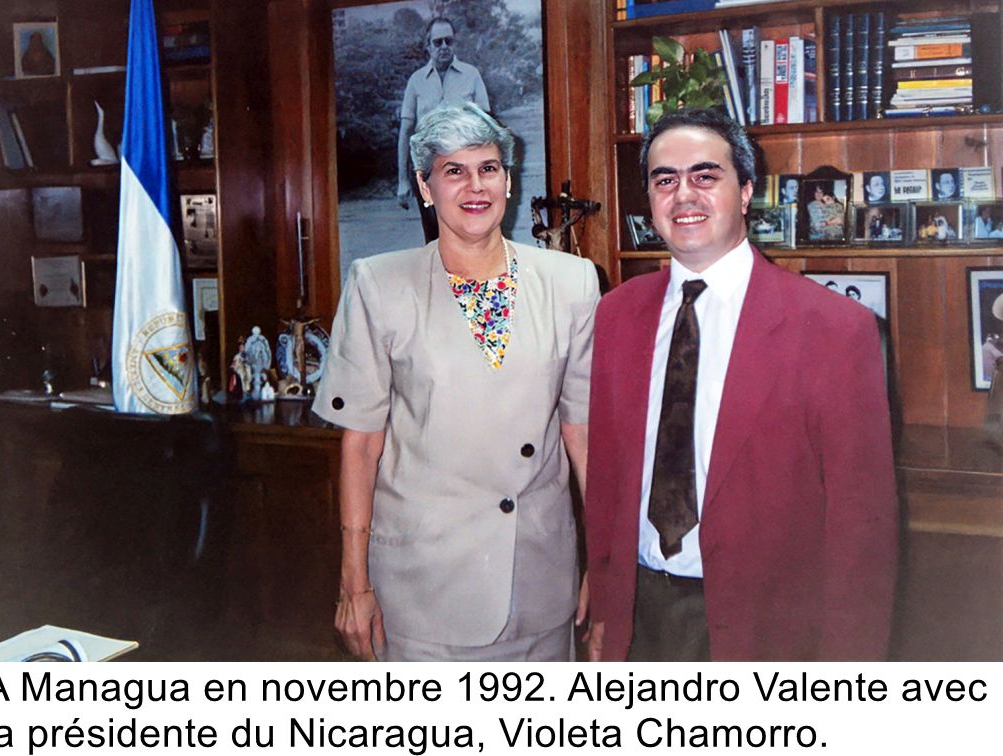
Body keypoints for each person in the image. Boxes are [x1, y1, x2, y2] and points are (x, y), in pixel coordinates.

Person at [584, 108, 897, 661]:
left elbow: (862, 527)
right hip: (640, 619)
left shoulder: (835, 329)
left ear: (747, 191)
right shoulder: (616, 315)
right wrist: (608, 612)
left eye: (706, 176)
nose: (684, 195)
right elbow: (607, 481)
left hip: (766, 630)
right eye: (665, 180)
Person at [315, 102, 599, 661]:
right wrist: (354, 582)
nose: (475, 186)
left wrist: (606, 566)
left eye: (488, 168)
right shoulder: (378, 285)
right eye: (454, 171)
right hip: (425, 589)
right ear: (425, 186)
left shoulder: (572, 282)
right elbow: (362, 444)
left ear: (509, 181)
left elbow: (581, 431)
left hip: (540, 584)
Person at [397, 16, 490, 243]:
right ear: (427, 46)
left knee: (467, 233)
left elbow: (488, 126)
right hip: (428, 172)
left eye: (449, 41)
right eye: (437, 42)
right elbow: (406, 132)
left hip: (466, 170)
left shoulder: (471, 76)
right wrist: (402, 181)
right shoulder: (416, 81)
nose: (444, 47)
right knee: (434, 237)